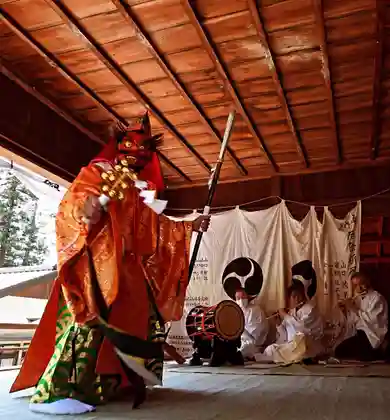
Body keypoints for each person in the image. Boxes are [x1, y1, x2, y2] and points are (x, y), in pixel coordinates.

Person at [9, 113, 211, 414]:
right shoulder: (98, 172)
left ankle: (110, 384)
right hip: (95, 266)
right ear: (120, 146)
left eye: (145, 151)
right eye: (133, 147)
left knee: (140, 319)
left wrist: (189, 226)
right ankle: (57, 391)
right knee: (88, 324)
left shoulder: (132, 188)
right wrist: (85, 209)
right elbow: (74, 202)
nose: (138, 156)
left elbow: (150, 225)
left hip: (125, 271)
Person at [255, 283, 324, 364]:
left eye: (299, 296)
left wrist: (284, 315)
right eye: (292, 297)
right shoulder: (292, 312)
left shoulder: (310, 310)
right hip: (291, 345)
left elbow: (302, 329)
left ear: (300, 297)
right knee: (270, 349)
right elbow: (285, 336)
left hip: (306, 347)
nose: (295, 299)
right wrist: (279, 324)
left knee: (273, 351)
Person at [334, 272, 389, 361]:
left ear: (367, 282)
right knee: (339, 351)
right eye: (355, 285)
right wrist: (344, 311)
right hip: (360, 335)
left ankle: (380, 349)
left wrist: (354, 309)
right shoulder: (357, 299)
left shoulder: (377, 298)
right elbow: (352, 322)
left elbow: (373, 320)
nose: (359, 288)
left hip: (372, 335)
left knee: (363, 356)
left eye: (361, 284)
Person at [235, 287, 268, 360]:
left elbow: (255, 335)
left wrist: (239, 329)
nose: (241, 300)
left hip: (252, 344)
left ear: (247, 297)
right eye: (238, 298)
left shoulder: (255, 310)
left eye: (243, 297)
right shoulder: (235, 311)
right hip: (238, 342)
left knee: (241, 351)